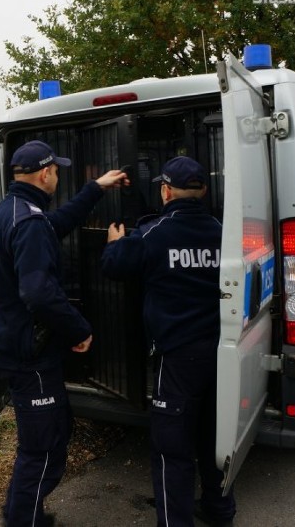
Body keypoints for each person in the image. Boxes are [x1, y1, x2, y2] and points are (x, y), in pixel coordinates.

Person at [0, 140, 127, 526]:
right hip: (28, 356)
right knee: (43, 448)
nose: (58, 175)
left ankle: (20, 510)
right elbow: (38, 293)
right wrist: (79, 330)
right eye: (57, 170)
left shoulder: (7, 212)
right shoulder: (27, 222)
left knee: (47, 437)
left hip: (9, 347)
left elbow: (57, 223)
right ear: (45, 173)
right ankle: (22, 519)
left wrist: (96, 188)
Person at [100, 156, 236, 527]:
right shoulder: (225, 232)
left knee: (170, 448)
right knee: (214, 439)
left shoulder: (154, 233)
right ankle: (219, 511)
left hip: (177, 357)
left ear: (164, 191)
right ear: (204, 191)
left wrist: (114, 242)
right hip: (223, 353)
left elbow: (114, 267)